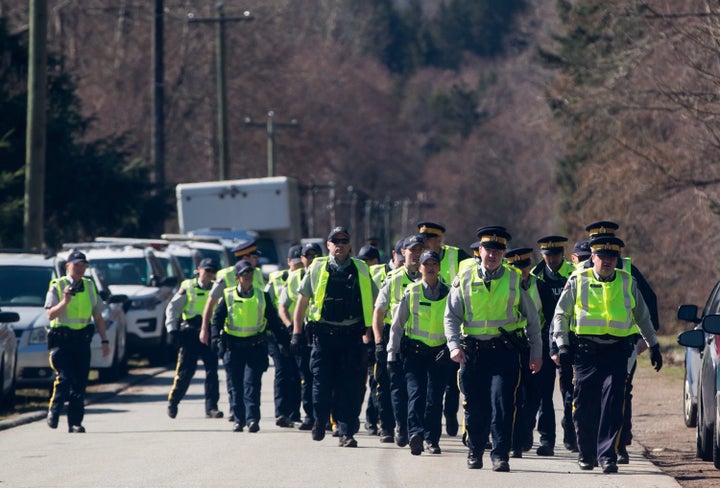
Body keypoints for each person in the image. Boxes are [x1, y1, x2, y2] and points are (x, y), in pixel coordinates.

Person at [552, 235, 663, 473]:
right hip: (586, 352)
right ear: (592, 257)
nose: (607, 261)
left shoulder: (627, 281)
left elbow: (642, 315)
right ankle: (587, 454)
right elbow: (561, 314)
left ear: (617, 259)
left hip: (616, 352)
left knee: (613, 402)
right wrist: (562, 345)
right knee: (584, 405)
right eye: (602, 256)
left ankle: (607, 456)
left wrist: (653, 345)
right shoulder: (578, 279)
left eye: (612, 257)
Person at [444, 226, 543, 472]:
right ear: (479, 251)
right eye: (488, 249)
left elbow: (532, 319)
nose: (492, 255)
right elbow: (451, 317)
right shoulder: (464, 278)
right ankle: (475, 451)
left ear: (503, 253)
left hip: (504, 352)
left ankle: (500, 455)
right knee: (476, 406)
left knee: (502, 404)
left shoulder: (513, 279)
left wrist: (536, 353)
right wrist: (454, 346)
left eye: (498, 251)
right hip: (473, 352)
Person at [291, 226, 377, 448]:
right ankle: (320, 419)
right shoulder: (317, 267)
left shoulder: (361, 269)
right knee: (321, 384)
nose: (339, 244)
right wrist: (297, 333)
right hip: (324, 337)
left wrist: (373, 336)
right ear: (328, 245)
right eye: (334, 241)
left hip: (351, 337)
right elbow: (302, 301)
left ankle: (346, 431)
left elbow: (375, 303)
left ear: (350, 245)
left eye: (344, 240)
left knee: (351, 387)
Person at [582, 220, 660, 464]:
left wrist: (646, 342)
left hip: (621, 347)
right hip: (586, 349)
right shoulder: (579, 273)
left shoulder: (627, 271)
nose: (604, 252)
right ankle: (591, 447)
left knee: (619, 396)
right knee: (587, 399)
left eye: (609, 246)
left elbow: (647, 305)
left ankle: (617, 446)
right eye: (597, 244)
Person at [210, 260, 289, 433]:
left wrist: (285, 340)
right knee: (236, 386)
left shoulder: (262, 295)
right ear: (238, 277)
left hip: (255, 346)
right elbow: (216, 320)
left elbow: (274, 321)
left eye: (250, 274)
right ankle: (239, 420)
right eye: (245, 274)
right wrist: (215, 339)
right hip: (234, 347)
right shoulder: (228, 295)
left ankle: (253, 419)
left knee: (252, 384)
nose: (248, 277)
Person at [388, 249, 450, 455]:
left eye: (434, 264)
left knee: (435, 398)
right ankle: (416, 433)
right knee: (416, 394)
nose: (430, 268)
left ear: (439, 267)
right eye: (426, 264)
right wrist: (391, 353)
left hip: (440, 355)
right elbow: (397, 326)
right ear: (420, 268)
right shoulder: (412, 292)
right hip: (415, 353)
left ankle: (432, 440)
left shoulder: (450, 293)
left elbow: (457, 323)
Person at [45, 250, 110, 433]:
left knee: (79, 384)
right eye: (76, 265)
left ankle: (75, 422)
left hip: (82, 342)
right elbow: (50, 313)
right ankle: (54, 411)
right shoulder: (57, 285)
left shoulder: (89, 286)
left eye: (83, 265)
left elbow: (98, 317)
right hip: (62, 342)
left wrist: (105, 341)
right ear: (67, 266)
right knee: (64, 379)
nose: (80, 268)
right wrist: (65, 301)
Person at [200, 238, 265, 422]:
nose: (256, 260)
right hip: (230, 335)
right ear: (244, 256)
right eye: (254, 256)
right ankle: (235, 410)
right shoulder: (226, 275)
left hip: (253, 336)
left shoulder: (258, 274)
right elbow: (211, 303)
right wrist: (205, 329)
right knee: (234, 377)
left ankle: (246, 413)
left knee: (250, 378)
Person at [418, 221, 470, 437]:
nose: (426, 243)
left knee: (451, 381)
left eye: (430, 238)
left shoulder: (457, 255)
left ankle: (450, 413)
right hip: (428, 327)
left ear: (439, 239)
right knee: (432, 385)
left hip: (452, 326)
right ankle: (432, 425)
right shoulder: (421, 259)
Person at [373, 235, 424, 446]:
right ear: (403, 253)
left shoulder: (429, 278)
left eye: (420, 250)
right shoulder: (393, 279)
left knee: (417, 388)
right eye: (412, 251)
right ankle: (394, 425)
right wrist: (378, 342)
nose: (416, 254)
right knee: (391, 386)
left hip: (419, 340)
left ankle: (415, 429)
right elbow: (379, 311)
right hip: (393, 338)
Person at [165, 258, 222, 419]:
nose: (209, 274)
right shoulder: (188, 286)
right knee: (185, 372)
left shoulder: (217, 289)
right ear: (199, 269)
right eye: (207, 270)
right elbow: (173, 308)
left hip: (209, 334)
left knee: (212, 372)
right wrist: (172, 329)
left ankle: (211, 407)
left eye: (212, 271)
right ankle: (173, 402)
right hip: (189, 334)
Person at [504, 247, 542, 458]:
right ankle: (514, 440)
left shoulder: (540, 285)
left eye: (525, 266)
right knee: (514, 395)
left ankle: (526, 428)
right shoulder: (507, 287)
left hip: (536, 345)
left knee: (534, 395)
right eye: (516, 267)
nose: (522, 270)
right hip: (514, 346)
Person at [279, 242, 322, 431]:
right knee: (306, 375)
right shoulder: (294, 277)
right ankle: (310, 416)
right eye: (308, 255)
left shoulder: (326, 273)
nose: (311, 259)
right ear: (302, 258)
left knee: (323, 375)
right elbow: (282, 305)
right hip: (303, 332)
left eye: (315, 255)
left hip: (322, 331)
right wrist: (292, 328)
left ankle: (326, 415)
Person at [265, 244, 303, 428]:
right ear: (288, 262)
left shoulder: (306, 277)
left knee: (296, 374)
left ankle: (294, 414)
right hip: (279, 333)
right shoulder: (277, 279)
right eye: (295, 263)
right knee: (282, 372)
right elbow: (266, 303)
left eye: (300, 263)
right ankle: (281, 413)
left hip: (299, 332)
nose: (298, 266)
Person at [356, 244, 382, 436]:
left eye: (368, 260)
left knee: (375, 381)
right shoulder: (360, 277)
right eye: (362, 261)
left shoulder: (380, 277)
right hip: (363, 338)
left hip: (374, 337)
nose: (366, 264)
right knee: (361, 382)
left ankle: (372, 420)